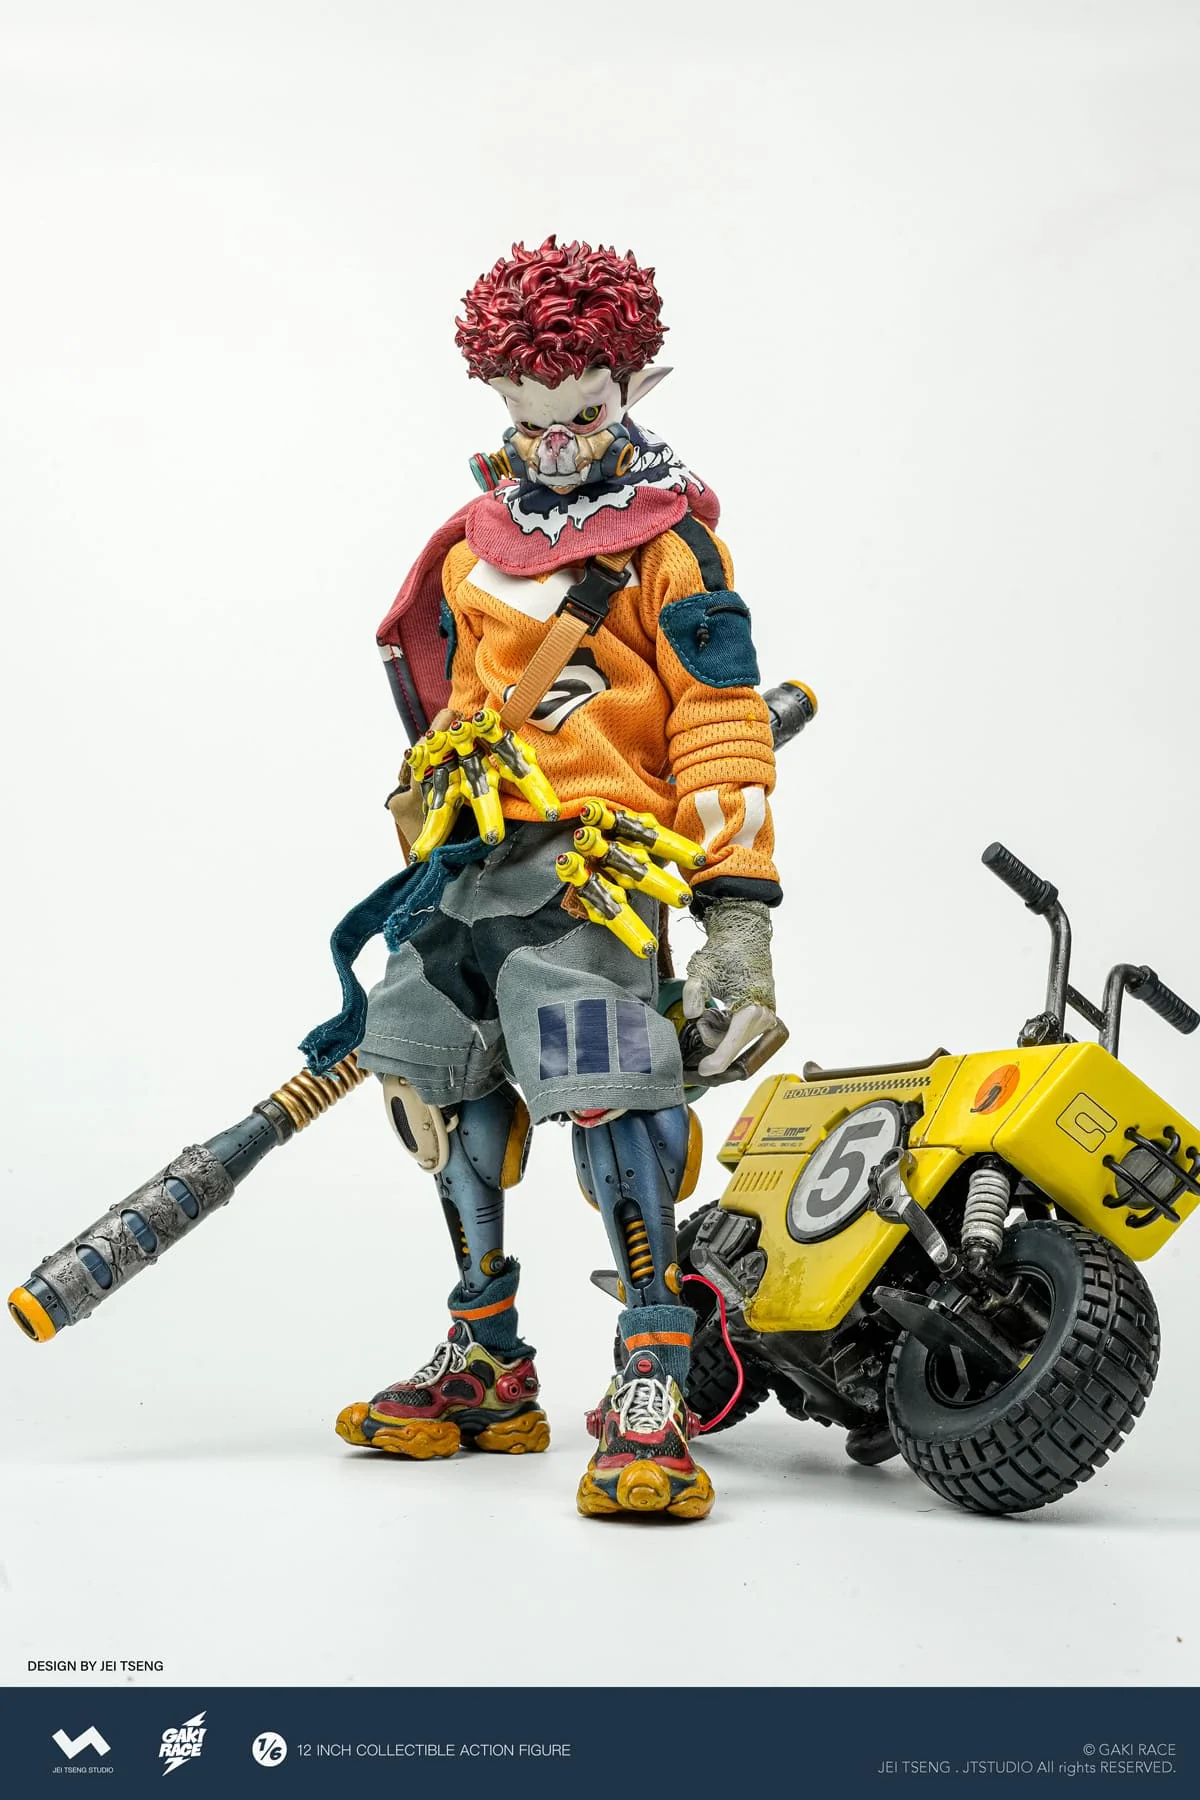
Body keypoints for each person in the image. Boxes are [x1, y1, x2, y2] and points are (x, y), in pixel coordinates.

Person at [331, 237, 783, 1520]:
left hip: (595, 876)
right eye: (530, 418)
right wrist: (427, 841)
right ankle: (487, 1356)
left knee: (611, 1092)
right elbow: (455, 714)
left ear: (631, 387)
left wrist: (736, 920)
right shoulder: (471, 553)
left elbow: (721, 725)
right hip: (471, 873)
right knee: (434, 1077)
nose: (558, 443)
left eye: (583, 413)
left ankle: (653, 1369)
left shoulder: (673, 553)